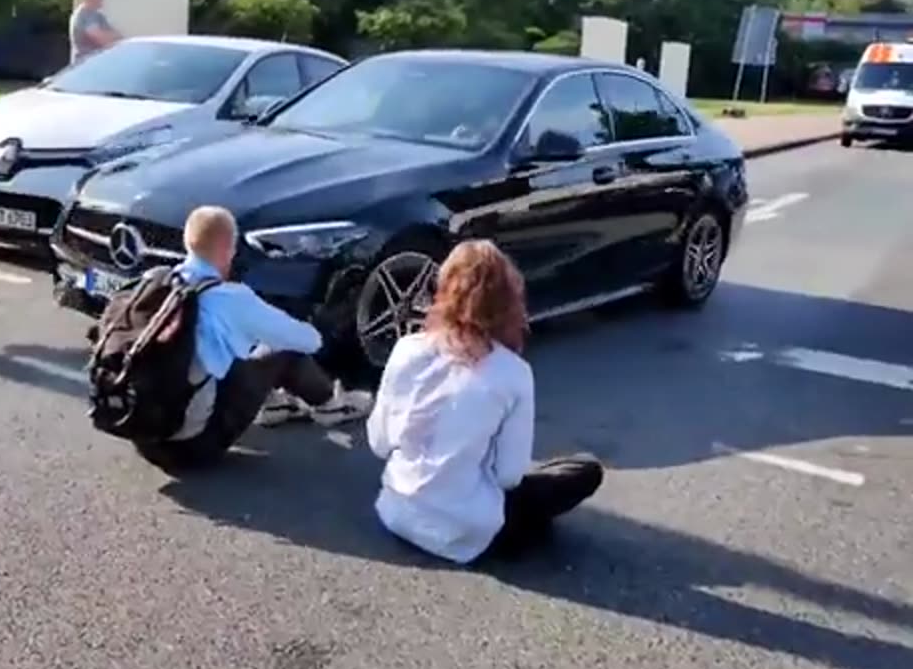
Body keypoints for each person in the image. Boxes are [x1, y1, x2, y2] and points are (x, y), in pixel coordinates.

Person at [366, 240, 604, 564]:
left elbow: (379, 443)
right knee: (584, 469)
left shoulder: (407, 348)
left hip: (396, 512)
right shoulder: (514, 372)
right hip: (464, 533)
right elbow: (508, 476)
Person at [151, 206, 373, 466]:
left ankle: (275, 405)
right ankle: (330, 405)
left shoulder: (156, 280)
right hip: (192, 448)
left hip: (146, 435)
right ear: (228, 249)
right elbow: (309, 340)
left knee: (219, 346)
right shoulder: (231, 297)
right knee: (282, 347)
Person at [69, 0, 122, 64]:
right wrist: (114, 36)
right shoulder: (84, 15)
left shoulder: (97, 15)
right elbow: (99, 38)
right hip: (87, 63)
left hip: (97, 61)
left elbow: (117, 37)